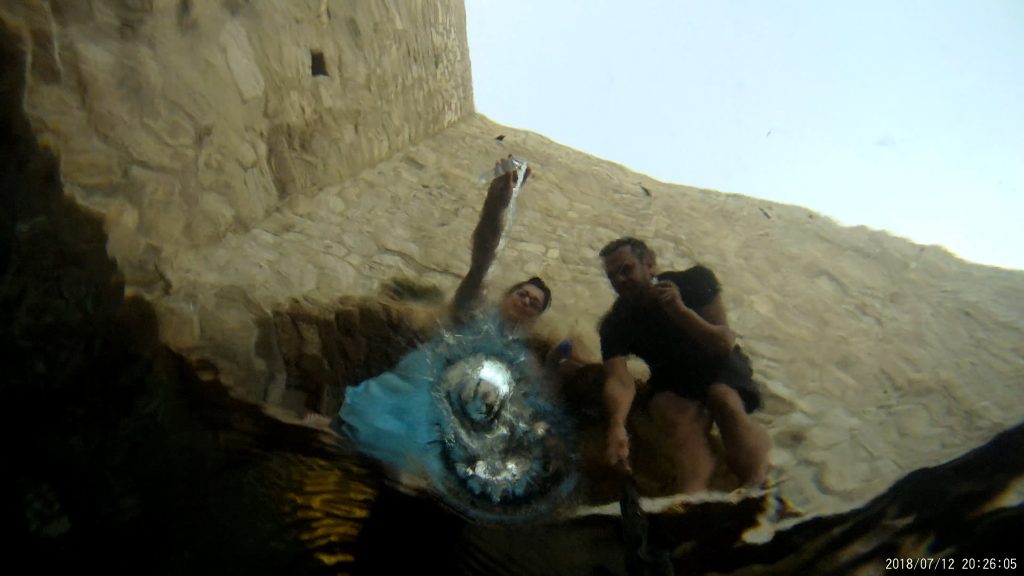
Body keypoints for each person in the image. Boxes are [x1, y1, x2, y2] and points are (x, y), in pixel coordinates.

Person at [336, 158, 576, 519]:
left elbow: (539, 405)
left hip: (451, 431)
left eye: (534, 303)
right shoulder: (472, 312)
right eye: (522, 294)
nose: (526, 301)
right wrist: (498, 205)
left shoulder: (523, 359)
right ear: (507, 296)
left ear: (536, 318)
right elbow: (482, 260)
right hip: (407, 399)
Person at [598, 237, 770, 493]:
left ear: (649, 264)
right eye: (613, 276)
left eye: (626, 269)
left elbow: (723, 342)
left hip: (718, 366)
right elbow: (619, 380)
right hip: (672, 379)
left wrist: (680, 312)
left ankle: (758, 483)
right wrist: (617, 425)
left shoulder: (695, 281)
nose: (620, 281)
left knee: (723, 399)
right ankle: (693, 495)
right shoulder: (616, 322)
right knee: (674, 414)